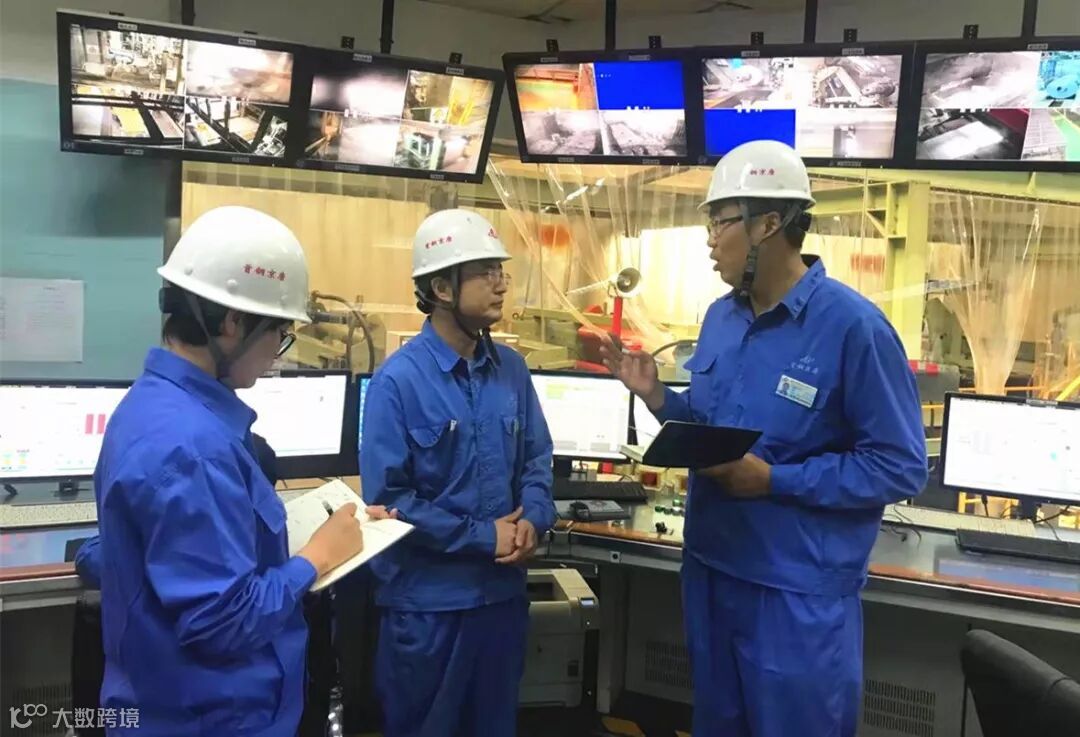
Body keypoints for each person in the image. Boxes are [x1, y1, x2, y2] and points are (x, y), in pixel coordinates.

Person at [600, 141, 928, 737]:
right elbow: (711, 430)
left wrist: (776, 480)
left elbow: (899, 466)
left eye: (719, 222)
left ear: (768, 224)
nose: (709, 240)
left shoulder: (853, 328)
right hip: (711, 570)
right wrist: (657, 398)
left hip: (795, 593)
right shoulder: (721, 318)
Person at [90, 206, 376, 736]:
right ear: (231, 324)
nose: (278, 353)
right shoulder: (193, 447)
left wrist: (336, 529)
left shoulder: (158, 407)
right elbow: (223, 623)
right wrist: (315, 558)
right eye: (279, 332)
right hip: (210, 718)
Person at [360, 208, 556, 737]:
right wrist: (483, 537)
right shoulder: (397, 383)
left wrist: (533, 519)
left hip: (500, 604)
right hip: (430, 610)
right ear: (442, 288)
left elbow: (537, 457)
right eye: (486, 272)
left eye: (501, 270)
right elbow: (391, 500)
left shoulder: (511, 370)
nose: (501, 284)